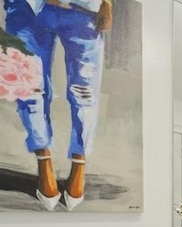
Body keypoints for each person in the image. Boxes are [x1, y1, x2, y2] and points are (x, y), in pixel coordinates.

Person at [3, 0, 112, 210]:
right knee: (30, 86)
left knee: (84, 91)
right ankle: (44, 164)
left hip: (82, 7)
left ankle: (79, 165)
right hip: (27, 6)